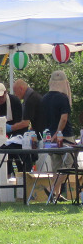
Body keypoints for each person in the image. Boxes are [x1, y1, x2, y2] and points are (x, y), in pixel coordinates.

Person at [41, 71, 76, 202]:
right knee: (68, 164)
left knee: (56, 166)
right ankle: (52, 190)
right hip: (65, 136)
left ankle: (56, 194)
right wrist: (58, 132)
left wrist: (50, 135)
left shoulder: (44, 98)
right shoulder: (63, 98)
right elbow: (64, 118)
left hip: (49, 138)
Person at [0, 82, 24, 178]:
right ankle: (7, 177)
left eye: (1, 97)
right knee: (5, 159)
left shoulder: (15, 102)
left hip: (17, 135)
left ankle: (22, 178)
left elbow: (21, 121)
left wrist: (10, 129)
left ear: (5, 93)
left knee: (19, 159)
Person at [12, 79, 45, 172]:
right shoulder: (34, 96)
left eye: (15, 91)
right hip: (41, 132)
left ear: (21, 89)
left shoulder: (30, 100)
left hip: (43, 136)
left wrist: (11, 128)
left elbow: (25, 123)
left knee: (41, 166)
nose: (15, 94)